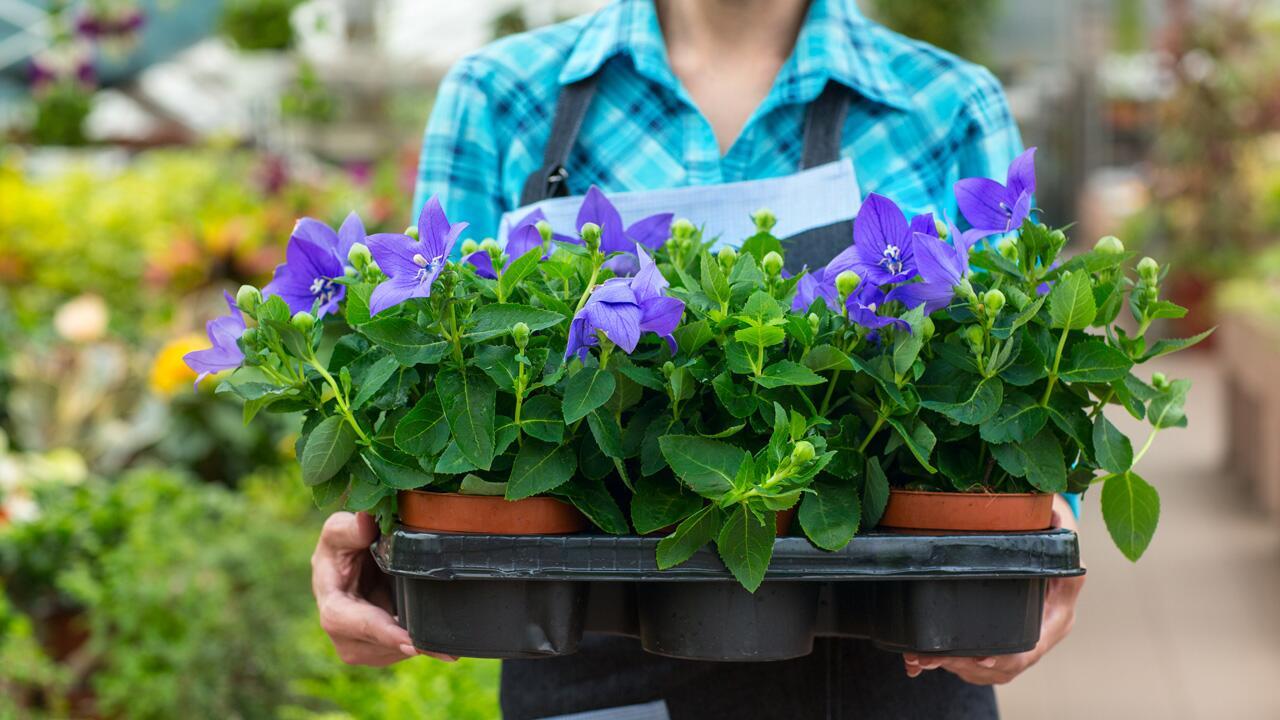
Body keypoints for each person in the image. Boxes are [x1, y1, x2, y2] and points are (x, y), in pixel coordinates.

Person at [309, 1, 1086, 717]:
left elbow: (1009, 382)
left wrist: (1044, 540)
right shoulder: (501, 95)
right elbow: (428, 389)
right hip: (591, 669)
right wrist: (371, 545)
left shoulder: (946, 104)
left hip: (885, 670)